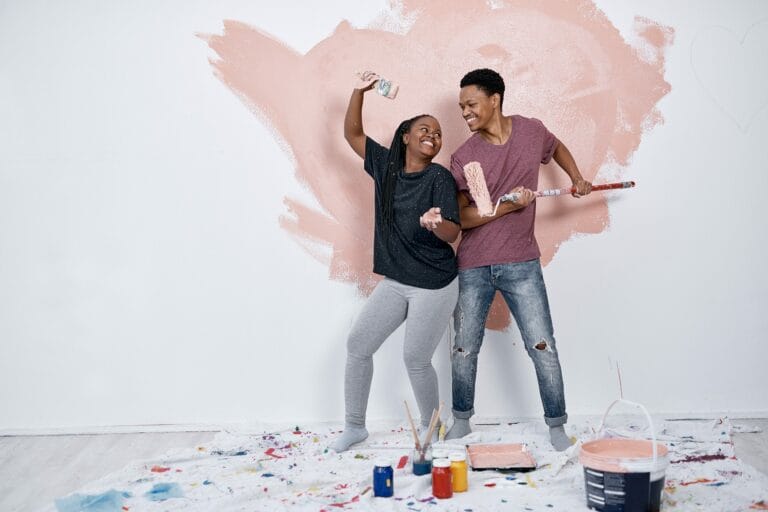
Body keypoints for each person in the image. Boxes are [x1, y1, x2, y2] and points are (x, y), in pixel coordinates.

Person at [445, 68, 592, 451]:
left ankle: (556, 427)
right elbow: (462, 218)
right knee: (464, 348)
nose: (465, 112)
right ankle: (461, 420)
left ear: (494, 99)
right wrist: (507, 206)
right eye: (461, 107)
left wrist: (576, 177)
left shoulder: (531, 131)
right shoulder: (464, 157)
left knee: (542, 345)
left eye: (471, 104)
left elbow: (556, 147)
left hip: (522, 262)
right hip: (473, 264)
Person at [330, 72, 461, 452]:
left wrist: (436, 224)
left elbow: (453, 233)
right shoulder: (385, 166)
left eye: (438, 134)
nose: (433, 136)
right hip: (397, 280)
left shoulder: (439, 178)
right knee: (358, 344)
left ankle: (432, 427)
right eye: (425, 129)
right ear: (405, 136)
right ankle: (355, 427)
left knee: (415, 359)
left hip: (434, 283)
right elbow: (352, 134)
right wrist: (359, 91)